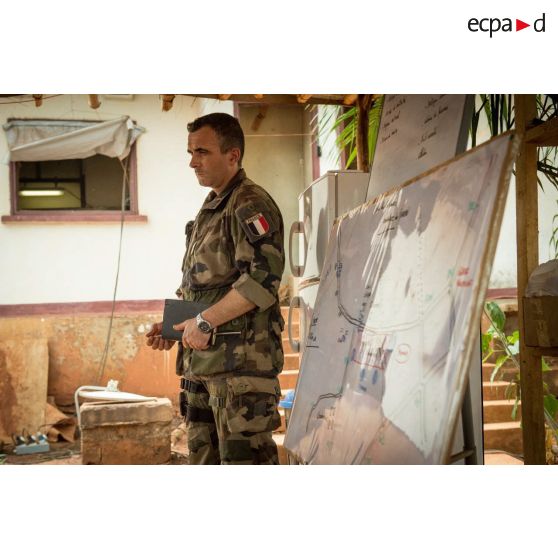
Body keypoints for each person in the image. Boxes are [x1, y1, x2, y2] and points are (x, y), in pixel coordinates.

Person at [146, 112, 285, 465]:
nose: (193, 162)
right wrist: (174, 328)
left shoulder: (248, 203)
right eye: (190, 152)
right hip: (204, 366)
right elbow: (203, 286)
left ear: (233, 155)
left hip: (240, 369)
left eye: (202, 152)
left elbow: (263, 281)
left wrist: (205, 321)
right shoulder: (212, 206)